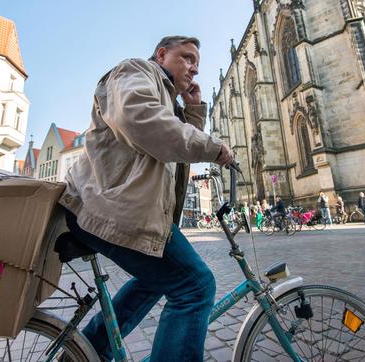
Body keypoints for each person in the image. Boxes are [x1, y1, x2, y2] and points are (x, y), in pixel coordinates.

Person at [59, 36, 234, 361]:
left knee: (156, 281)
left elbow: (171, 153)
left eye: (197, 63)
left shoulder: (166, 100)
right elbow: (143, 122)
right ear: (162, 54)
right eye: (187, 57)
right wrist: (212, 146)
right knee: (195, 287)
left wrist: (193, 111)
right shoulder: (135, 71)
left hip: (126, 210)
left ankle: (87, 352)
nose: (194, 68)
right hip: (106, 206)